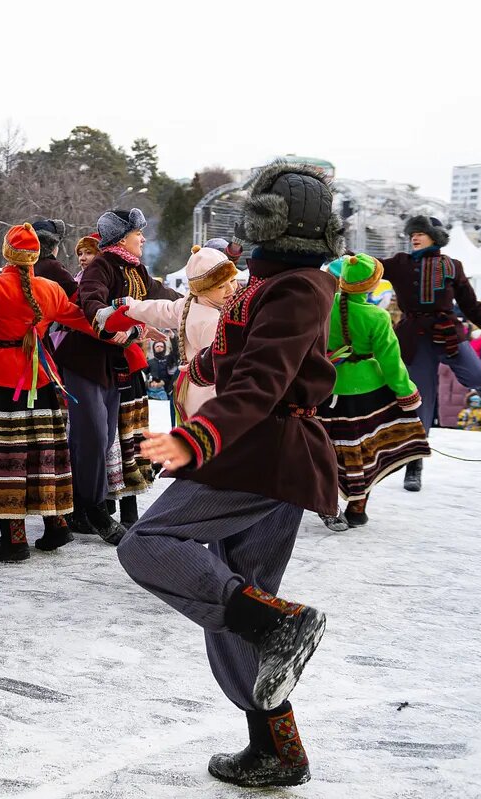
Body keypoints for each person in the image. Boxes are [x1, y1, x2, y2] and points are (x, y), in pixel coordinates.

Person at [116, 161, 342, 788]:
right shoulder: (262, 280)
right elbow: (232, 355)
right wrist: (200, 363)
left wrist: (190, 438)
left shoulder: (298, 286)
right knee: (234, 602)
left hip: (261, 453)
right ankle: (276, 747)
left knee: (147, 545)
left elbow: (260, 385)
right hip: (263, 454)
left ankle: (280, 623)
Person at [0, 223, 106, 562]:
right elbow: (85, 320)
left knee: (6, 458)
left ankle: (14, 540)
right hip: (43, 380)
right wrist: (123, 324)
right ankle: (56, 522)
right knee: (43, 454)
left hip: (4, 380)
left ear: (7, 253)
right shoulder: (50, 290)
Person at [379, 215, 481, 490]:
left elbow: (471, 306)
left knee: (475, 374)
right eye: (413, 232)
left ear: (435, 237)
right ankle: (415, 463)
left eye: (421, 232)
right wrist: (340, 250)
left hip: (447, 331)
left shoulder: (452, 265)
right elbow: (366, 266)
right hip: (414, 338)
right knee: (419, 403)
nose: (415, 236)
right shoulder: (399, 263)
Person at [57, 208, 179, 539]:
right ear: (123, 237)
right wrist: (111, 322)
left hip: (111, 366)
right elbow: (91, 301)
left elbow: (161, 295)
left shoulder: (137, 270)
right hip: (84, 362)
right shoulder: (103, 265)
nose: (143, 238)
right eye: (138, 232)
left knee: (104, 435)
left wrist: (194, 303)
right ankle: (95, 510)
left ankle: (80, 508)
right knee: (93, 436)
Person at [316, 254, 430, 530]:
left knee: (327, 447)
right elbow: (391, 362)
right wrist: (407, 392)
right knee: (363, 451)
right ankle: (357, 507)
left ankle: (327, 500)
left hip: (326, 388)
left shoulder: (323, 306)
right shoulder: (377, 316)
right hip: (368, 393)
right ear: (371, 285)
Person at [113, 244, 239, 419]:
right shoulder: (212, 322)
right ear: (202, 289)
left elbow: (160, 309)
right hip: (208, 402)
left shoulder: (190, 303)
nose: (231, 290)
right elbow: (224, 374)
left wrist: (129, 306)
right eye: (220, 286)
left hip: (187, 393)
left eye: (232, 281)